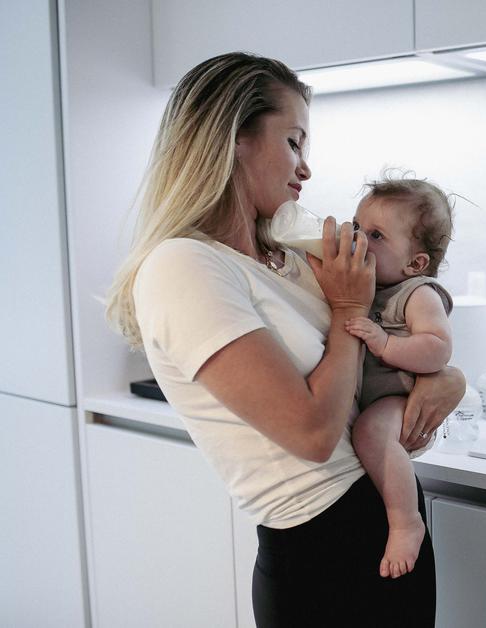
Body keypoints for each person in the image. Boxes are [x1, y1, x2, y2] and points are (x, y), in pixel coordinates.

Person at [104, 52, 465, 627]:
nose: (306, 169)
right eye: (294, 142)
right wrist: (349, 309)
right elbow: (313, 433)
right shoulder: (183, 266)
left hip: (389, 521)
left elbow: (382, 344)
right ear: (234, 140)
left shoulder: (288, 257)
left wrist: (448, 378)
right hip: (322, 554)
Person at [344, 173, 455, 579]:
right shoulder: (364, 285)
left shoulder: (417, 293)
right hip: (370, 397)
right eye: (356, 226)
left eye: (376, 235)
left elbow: (438, 347)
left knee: (372, 433)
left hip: (398, 394)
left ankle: (406, 522)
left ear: (415, 263)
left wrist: (386, 344)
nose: (358, 239)